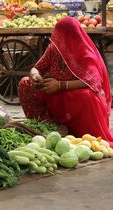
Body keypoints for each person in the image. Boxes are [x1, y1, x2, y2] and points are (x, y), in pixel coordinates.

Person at [18, 17, 113, 146]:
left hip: (74, 96)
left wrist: (60, 85)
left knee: (87, 95)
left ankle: (84, 134)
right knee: (25, 83)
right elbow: (37, 67)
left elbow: (94, 82)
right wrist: (35, 75)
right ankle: (47, 127)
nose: (58, 40)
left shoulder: (85, 53)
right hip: (57, 95)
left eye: (62, 36)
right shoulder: (54, 49)